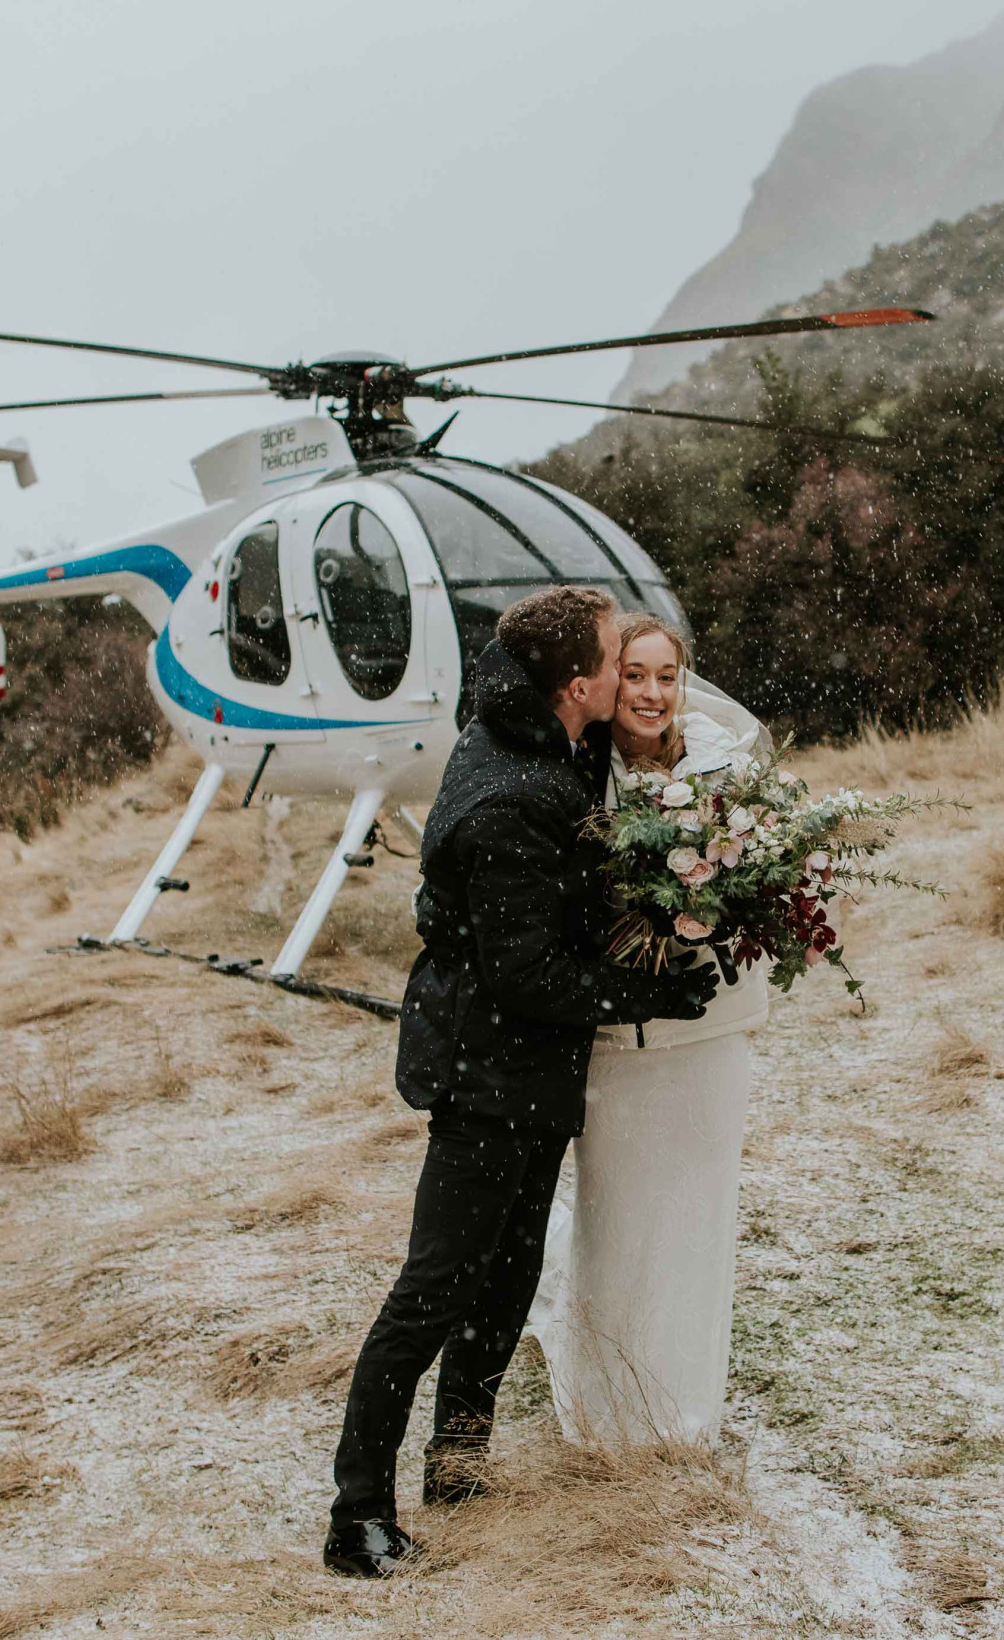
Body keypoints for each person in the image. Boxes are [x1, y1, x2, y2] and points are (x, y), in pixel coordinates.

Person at [323, 586, 720, 1580]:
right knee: (433, 1287)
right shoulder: (514, 794)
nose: (628, 666)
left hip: (529, 1069)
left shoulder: (535, 741)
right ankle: (356, 1512)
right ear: (576, 682)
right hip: (485, 1070)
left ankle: (456, 1459)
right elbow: (525, 975)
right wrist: (653, 987)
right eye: (611, 657)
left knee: (503, 1277)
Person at [525, 614, 770, 1448]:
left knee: (698, 1222)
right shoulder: (575, 775)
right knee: (620, 1221)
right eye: (634, 674)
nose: (653, 693)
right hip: (618, 1049)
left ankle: (685, 1407)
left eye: (667, 675)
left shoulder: (728, 772)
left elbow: (768, 894)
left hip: (705, 1041)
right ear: (605, 680)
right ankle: (607, 1408)